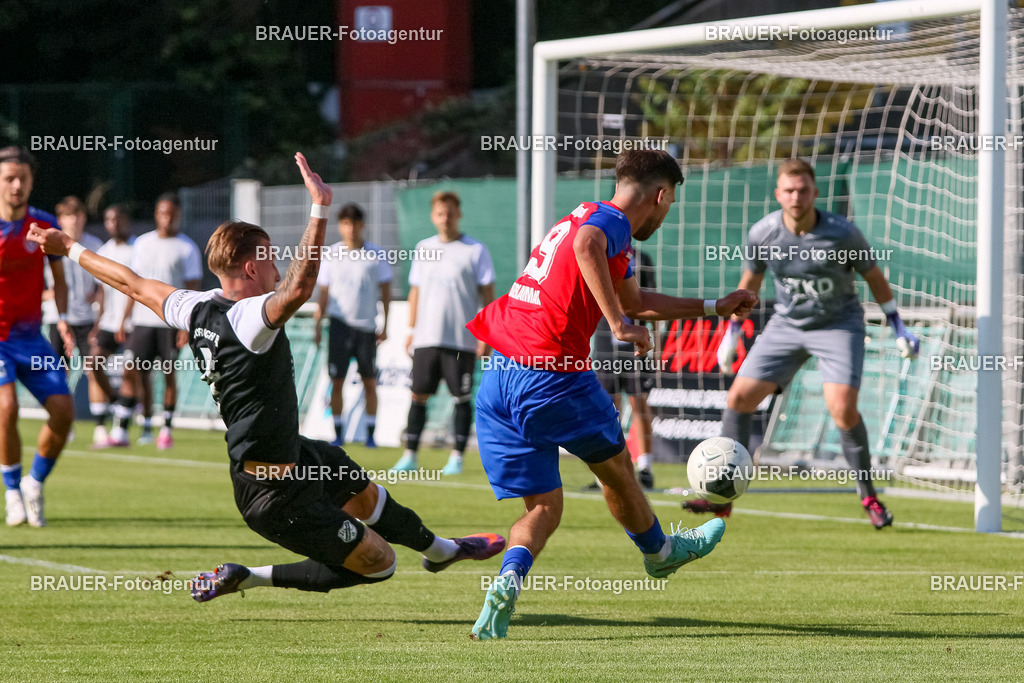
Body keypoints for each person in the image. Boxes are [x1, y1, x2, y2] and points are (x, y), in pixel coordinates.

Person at [28, 153, 505, 600]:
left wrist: (68, 246)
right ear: (252, 266)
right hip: (274, 494)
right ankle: (249, 577)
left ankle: (442, 550)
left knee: (366, 494)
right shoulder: (248, 317)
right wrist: (319, 209)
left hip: (296, 457)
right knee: (380, 564)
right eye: (271, 256)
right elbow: (299, 285)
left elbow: (129, 281)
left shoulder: (194, 306)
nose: (278, 265)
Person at [465, 149, 758, 639]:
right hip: (550, 373)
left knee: (542, 508)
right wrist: (619, 325)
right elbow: (588, 246)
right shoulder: (609, 222)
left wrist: (715, 305)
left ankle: (507, 583)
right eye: (669, 205)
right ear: (661, 196)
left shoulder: (587, 214)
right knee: (617, 469)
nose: (665, 217)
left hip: (499, 375)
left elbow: (638, 301)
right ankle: (661, 554)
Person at [684, 158, 919, 528]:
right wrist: (731, 332)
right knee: (738, 399)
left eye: (803, 189)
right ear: (778, 194)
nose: (796, 197)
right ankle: (724, 499)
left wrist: (897, 324)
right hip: (787, 325)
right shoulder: (763, 233)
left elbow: (874, 276)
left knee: (842, 409)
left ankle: (869, 496)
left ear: (815, 192)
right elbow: (751, 283)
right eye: (789, 190)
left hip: (838, 326)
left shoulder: (842, 233)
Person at [391, 191, 495, 476]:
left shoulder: (476, 250)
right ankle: (410, 455)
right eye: (440, 213)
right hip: (426, 338)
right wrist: (411, 329)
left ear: (458, 214)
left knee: (460, 398)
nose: (445, 218)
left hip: (461, 341)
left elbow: (488, 295)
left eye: (450, 212)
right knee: (418, 396)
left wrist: (484, 335)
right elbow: (415, 291)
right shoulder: (424, 247)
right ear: (433, 216)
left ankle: (457, 458)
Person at [0, 146, 75, 527]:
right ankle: (11, 490)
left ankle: (33, 482)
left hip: (32, 337)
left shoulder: (43, 225)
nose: (16, 185)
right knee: (6, 408)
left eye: (22, 179)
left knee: (64, 413)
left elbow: (59, 282)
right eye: (9, 178)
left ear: (31, 182)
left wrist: (62, 320)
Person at [108, 193, 201, 449]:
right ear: (156, 214)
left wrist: (186, 326)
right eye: (162, 213)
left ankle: (166, 429)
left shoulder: (187, 248)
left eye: (171, 214)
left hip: (170, 323)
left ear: (178, 216)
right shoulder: (143, 244)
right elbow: (133, 285)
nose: (167, 219)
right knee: (132, 371)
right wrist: (123, 319)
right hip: (142, 321)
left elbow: (193, 290)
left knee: (168, 375)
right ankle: (123, 430)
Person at [313, 203, 391, 448]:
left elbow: (386, 292)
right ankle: (338, 433)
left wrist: (385, 324)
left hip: (366, 328)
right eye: (345, 223)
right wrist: (318, 323)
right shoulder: (331, 254)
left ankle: (370, 434)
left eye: (354, 223)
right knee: (337, 381)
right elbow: (323, 294)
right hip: (339, 326)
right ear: (340, 226)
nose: (350, 229)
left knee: (370, 382)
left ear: (362, 225)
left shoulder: (376, 255)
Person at [589, 248, 658, 490]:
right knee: (607, 408)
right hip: (606, 342)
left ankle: (645, 467)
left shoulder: (642, 259)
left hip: (636, 345)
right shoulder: (597, 254)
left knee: (639, 403)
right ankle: (606, 472)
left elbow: (652, 300)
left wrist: (656, 342)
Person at [48, 197, 106, 443]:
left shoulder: (95, 245)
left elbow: (103, 287)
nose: (75, 219)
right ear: (60, 220)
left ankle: (101, 427)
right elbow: (44, 286)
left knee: (95, 369)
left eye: (78, 214)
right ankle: (63, 424)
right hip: (57, 319)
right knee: (59, 374)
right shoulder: (49, 245)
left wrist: (98, 320)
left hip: (86, 320)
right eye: (69, 215)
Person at [91, 205, 135, 446]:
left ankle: (123, 431)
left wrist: (123, 320)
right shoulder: (104, 250)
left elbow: (135, 289)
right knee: (94, 363)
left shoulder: (138, 248)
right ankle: (118, 402)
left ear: (127, 221)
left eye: (119, 219)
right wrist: (98, 324)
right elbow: (102, 291)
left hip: (133, 322)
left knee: (131, 370)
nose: (114, 224)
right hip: (108, 322)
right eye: (109, 219)